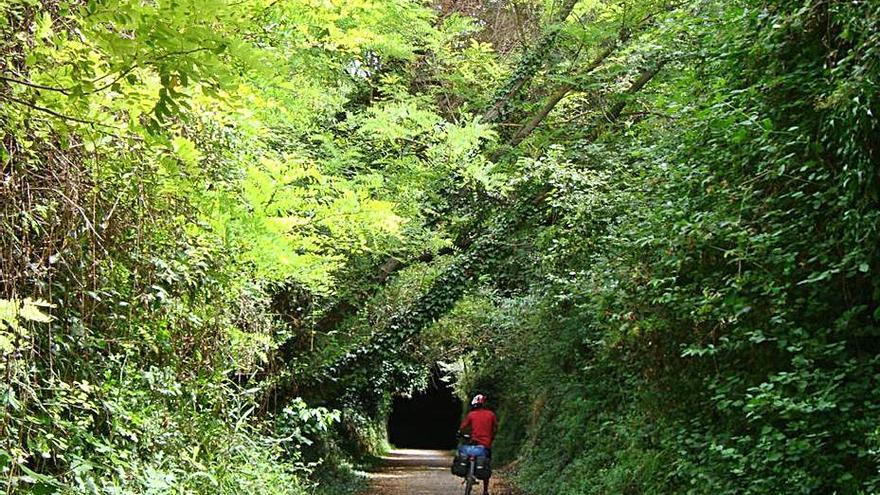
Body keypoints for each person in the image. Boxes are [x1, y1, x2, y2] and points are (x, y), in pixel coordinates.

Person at [458, 394, 498, 495]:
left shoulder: (471, 415)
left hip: (474, 442)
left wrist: (461, 434)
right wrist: (491, 437)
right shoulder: (491, 415)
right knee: (487, 464)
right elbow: (495, 428)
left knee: (467, 454)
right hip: (485, 444)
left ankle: (468, 474)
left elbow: (463, 427)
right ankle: (485, 490)